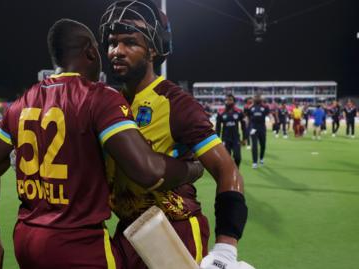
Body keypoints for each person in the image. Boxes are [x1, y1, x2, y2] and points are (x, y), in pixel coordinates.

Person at [0, 19, 204, 269]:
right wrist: (191, 169)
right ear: (91, 51)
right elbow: (146, 171)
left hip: (27, 241)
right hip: (80, 246)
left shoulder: (21, 104)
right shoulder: (100, 97)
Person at [100, 1, 250, 269]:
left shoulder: (176, 103)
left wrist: (226, 247)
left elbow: (227, 169)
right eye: (112, 43)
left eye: (130, 42)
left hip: (173, 230)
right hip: (125, 231)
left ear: (153, 49)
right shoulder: (108, 102)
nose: (117, 51)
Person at [216, 94, 247, 167]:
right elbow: (218, 127)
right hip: (225, 139)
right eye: (227, 100)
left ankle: (236, 170)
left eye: (230, 100)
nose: (228, 101)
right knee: (227, 158)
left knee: (237, 157)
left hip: (236, 138)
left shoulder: (239, 111)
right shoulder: (221, 112)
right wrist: (217, 139)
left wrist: (245, 138)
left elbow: (243, 126)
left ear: (234, 101)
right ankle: (230, 174)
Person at [245, 95, 270, 169]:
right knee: (254, 146)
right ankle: (254, 162)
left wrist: (263, 104)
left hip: (262, 128)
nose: (257, 99)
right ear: (254, 99)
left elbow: (267, 112)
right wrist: (251, 104)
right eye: (255, 98)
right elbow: (246, 114)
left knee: (263, 145)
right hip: (253, 128)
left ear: (261, 99)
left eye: (258, 98)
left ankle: (261, 158)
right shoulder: (251, 107)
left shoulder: (265, 107)